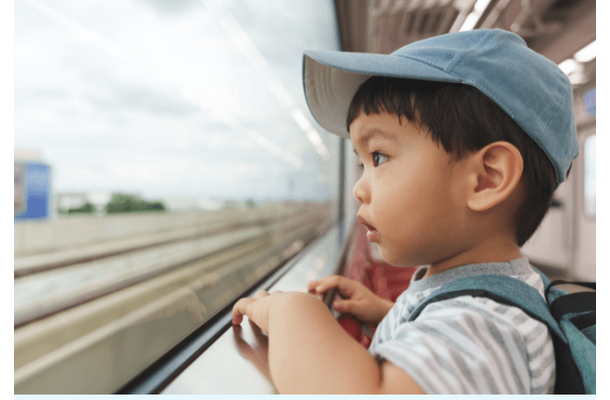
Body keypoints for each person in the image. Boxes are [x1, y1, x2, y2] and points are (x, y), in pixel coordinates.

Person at [231, 29, 579, 394]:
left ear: (486, 179)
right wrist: (388, 312)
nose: (357, 188)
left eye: (378, 157)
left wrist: (295, 312)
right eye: (362, 162)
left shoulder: (488, 326)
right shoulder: (484, 302)